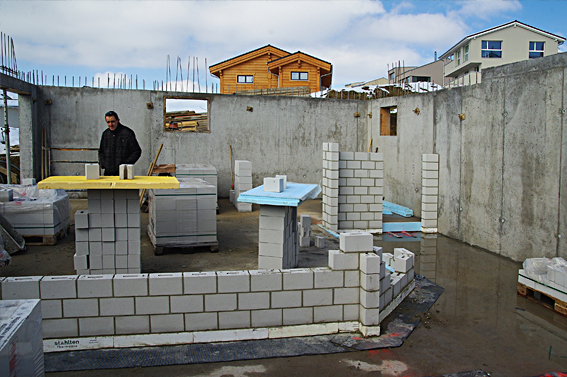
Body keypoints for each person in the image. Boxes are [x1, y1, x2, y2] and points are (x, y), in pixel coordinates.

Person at [98, 111, 142, 176]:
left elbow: (136, 151)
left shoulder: (127, 133)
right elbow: (101, 151)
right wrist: (104, 164)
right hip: (108, 173)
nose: (110, 124)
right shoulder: (105, 134)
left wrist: (125, 164)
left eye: (112, 121)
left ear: (118, 120)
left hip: (123, 173)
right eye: (108, 122)